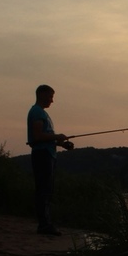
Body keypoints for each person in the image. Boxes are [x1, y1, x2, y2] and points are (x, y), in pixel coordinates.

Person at [27, 84, 74, 235]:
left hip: (48, 154)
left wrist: (62, 143)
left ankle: (46, 223)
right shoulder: (36, 112)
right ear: (41, 95)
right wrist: (57, 136)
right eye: (50, 96)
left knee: (47, 190)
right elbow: (38, 136)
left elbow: (45, 137)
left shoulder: (43, 113)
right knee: (43, 190)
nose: (52, 100)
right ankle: (44, 225)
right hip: (42, 155)